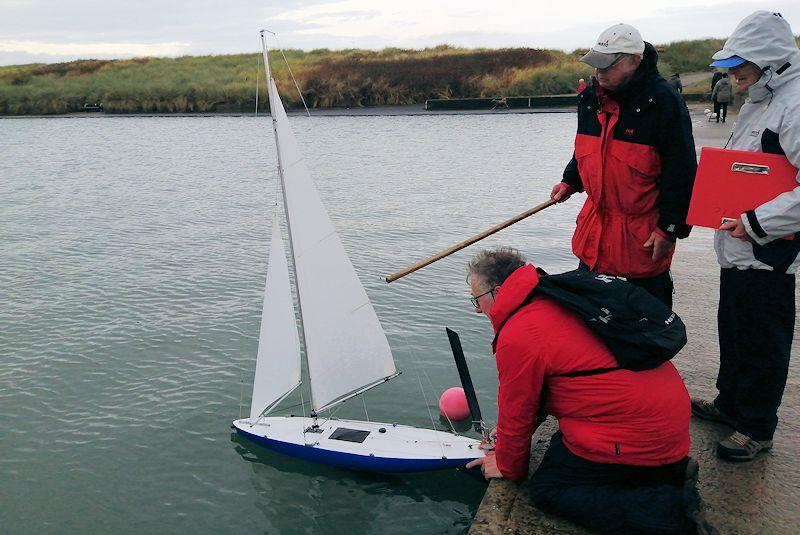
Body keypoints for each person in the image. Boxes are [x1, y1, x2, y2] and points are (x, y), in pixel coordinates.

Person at [464, 247, 713, 534]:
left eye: (477, 300)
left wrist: (507, 465)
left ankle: (670, 511)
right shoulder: (559, 295)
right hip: (664, 420)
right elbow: (548, 389)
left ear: (497, 292)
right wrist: (507, 436)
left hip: (642, 432)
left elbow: (518, 409)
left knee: (548, 488)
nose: (476, 309)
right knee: (562, 447)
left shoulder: (519, 333)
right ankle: (662, 473)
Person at [691, 11, 800, 462]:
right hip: (738, 245)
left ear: (769, 59)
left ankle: (757, 427)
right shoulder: (763, 98)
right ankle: (731, 403)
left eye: (740, 64)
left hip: (768, 250)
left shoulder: (794, 105)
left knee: (762, 340)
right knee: (735, 331)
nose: (732, 73)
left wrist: (756, 223)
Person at [549, 23, 697, 308]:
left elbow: (683, 172)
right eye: (596, 64)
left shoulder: (664, 102)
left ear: (635, 61)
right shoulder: (590, 99)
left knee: (646, 335)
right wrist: (570, 180)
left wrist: (669, 229)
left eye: (608, 65)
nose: (599, 72)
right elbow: (586, 150)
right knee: (591, 331)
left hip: (640, 242)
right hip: (594, 237)